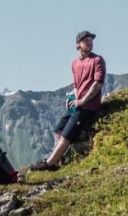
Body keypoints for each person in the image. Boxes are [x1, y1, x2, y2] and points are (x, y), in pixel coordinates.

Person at [30, 31, 106, 172]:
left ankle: (49, 163)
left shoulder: (97, 60)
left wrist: (83, 101)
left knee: (67, 134)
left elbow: (98, 84)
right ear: (78, 44)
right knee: (59, 129)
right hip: (78, 104)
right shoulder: (75, 63)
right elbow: (76, 85)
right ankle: (58, 161)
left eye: (91, 40)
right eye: (86, 40)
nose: (90, 42)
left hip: (89, 106)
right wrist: (75, 98)